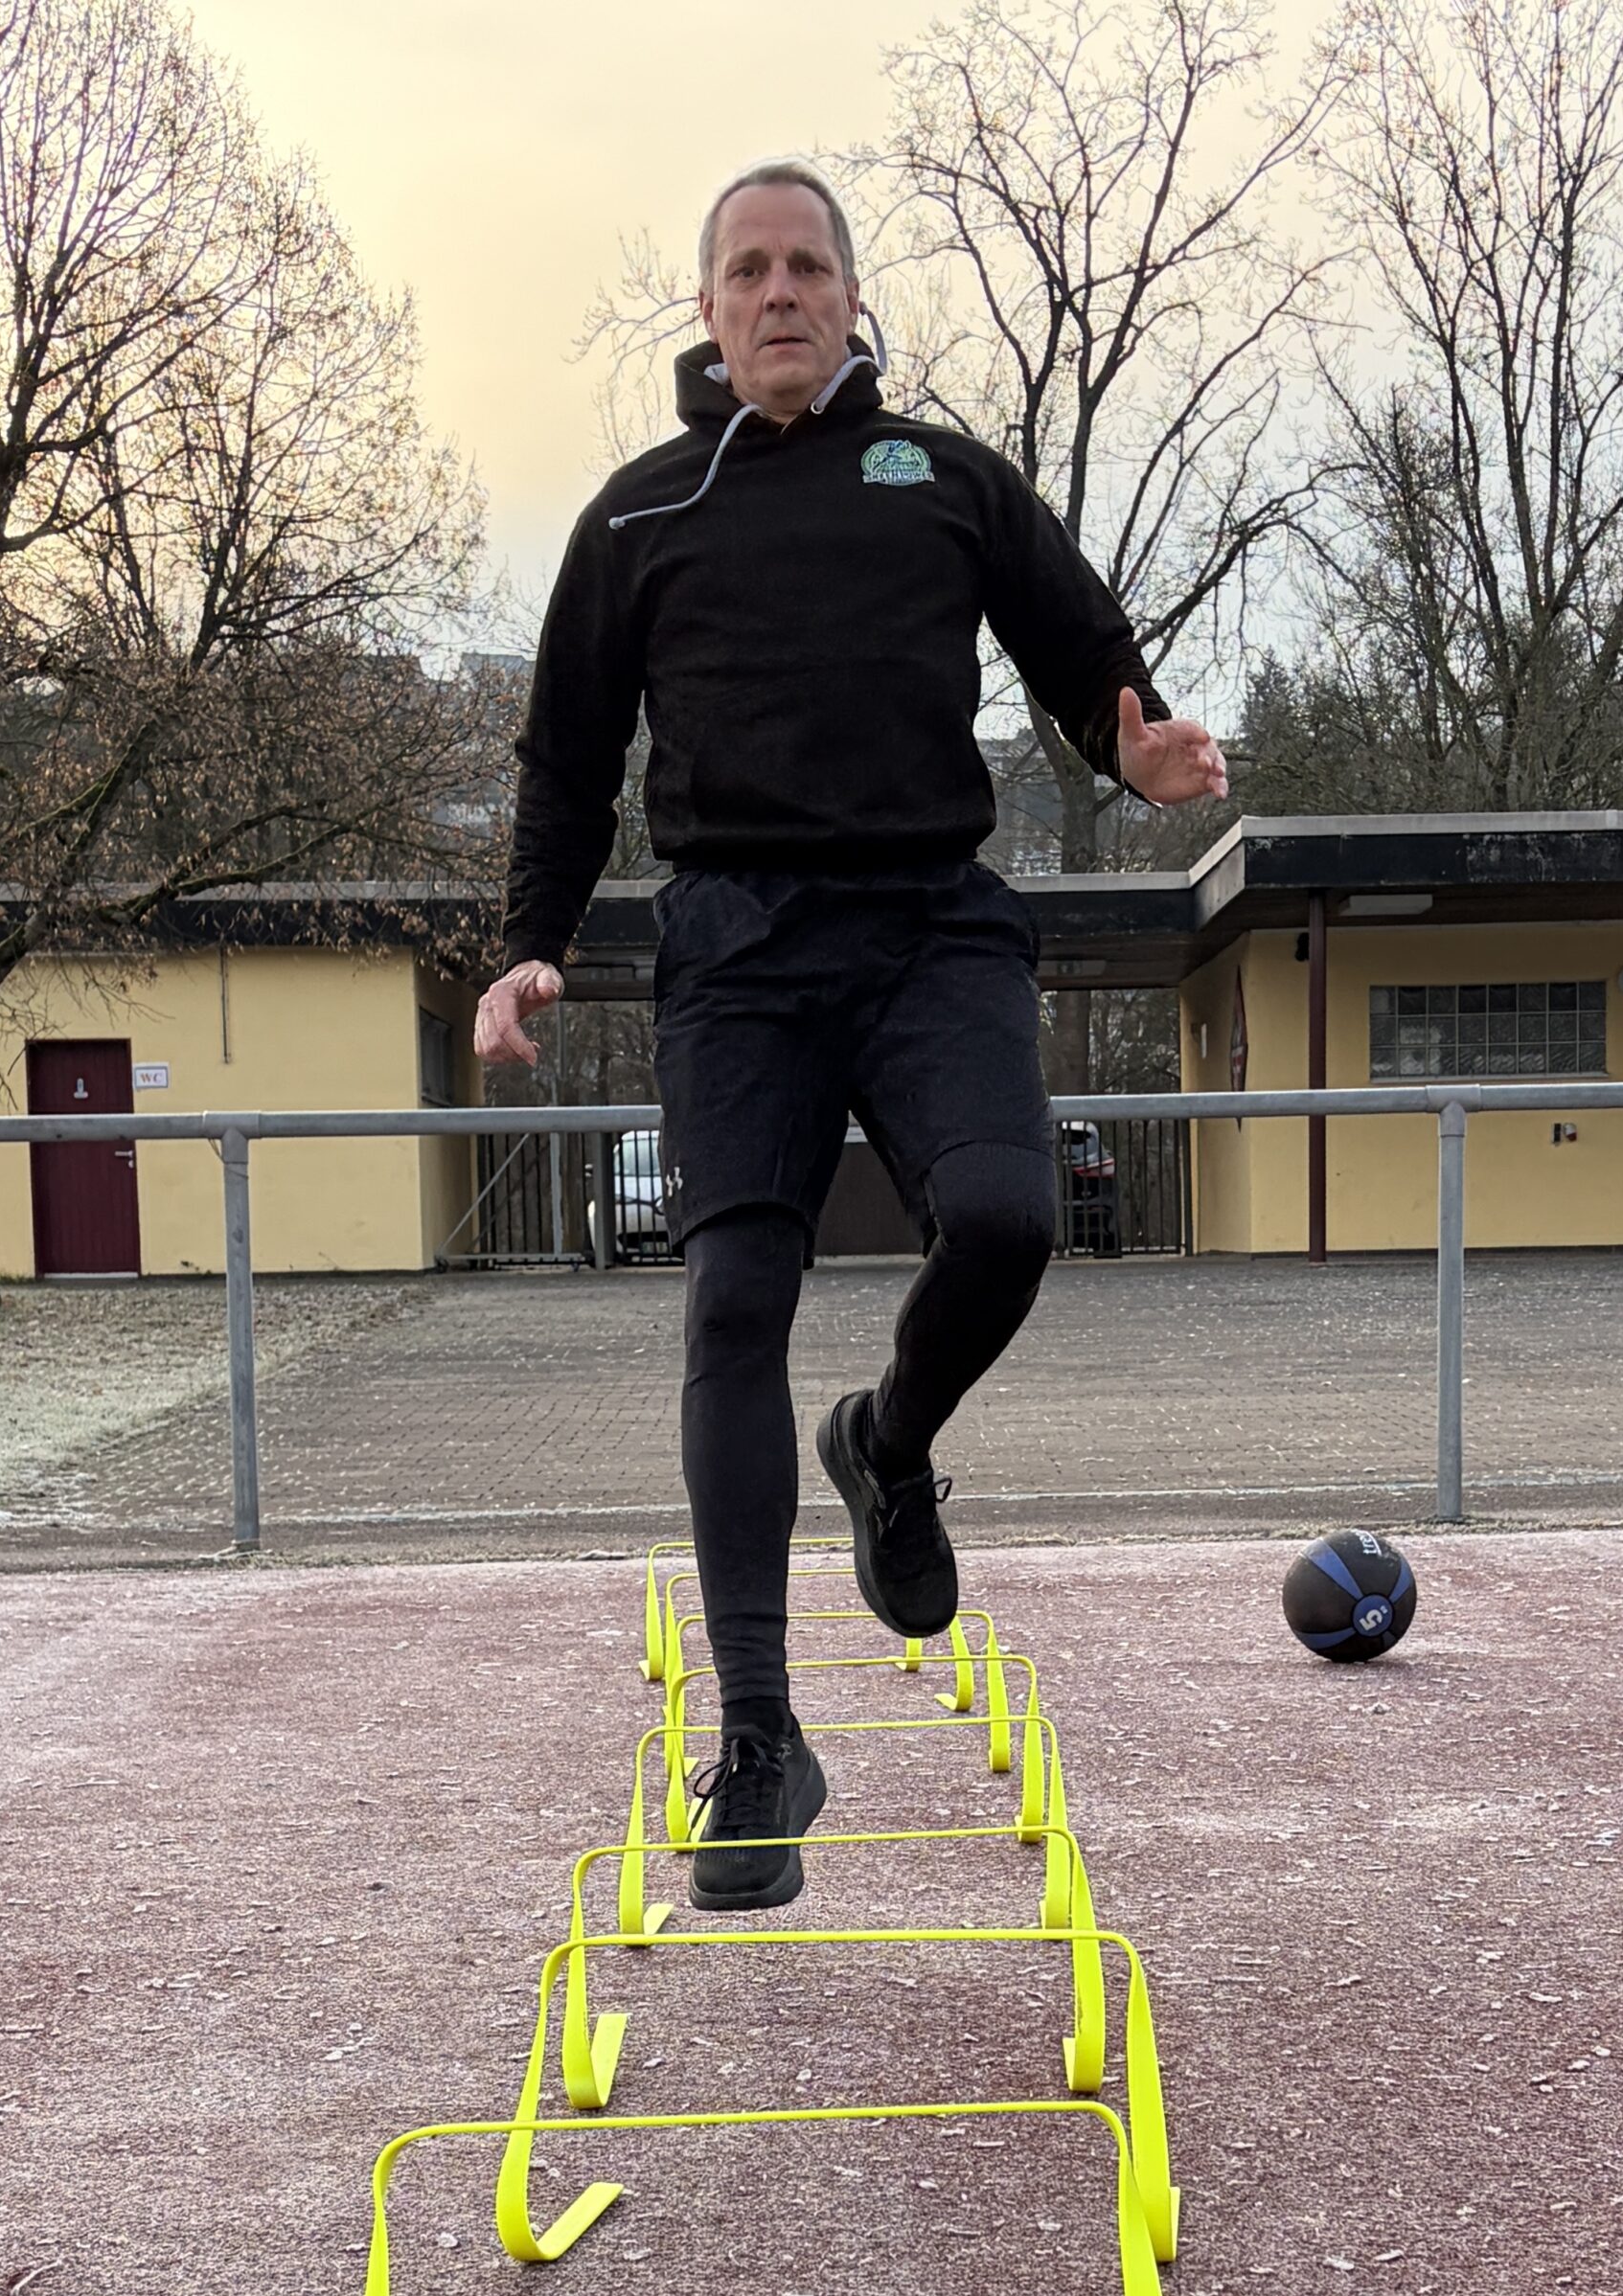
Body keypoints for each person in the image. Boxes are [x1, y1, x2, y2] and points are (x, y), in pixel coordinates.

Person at [476, 158, 1225, 1914]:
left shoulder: (944, 480)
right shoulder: (637, 517)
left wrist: (1136, 749)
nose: (781, 293)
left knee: (1014, 1218)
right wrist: (529, 947)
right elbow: (566, 759)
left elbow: (1084, 652)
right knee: (734, 1297)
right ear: (709, 309)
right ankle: (758, 1734)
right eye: (748, 269)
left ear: (852, 297)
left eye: (808, 266)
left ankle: (887, 1444)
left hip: (928, 924)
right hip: (736, 948)